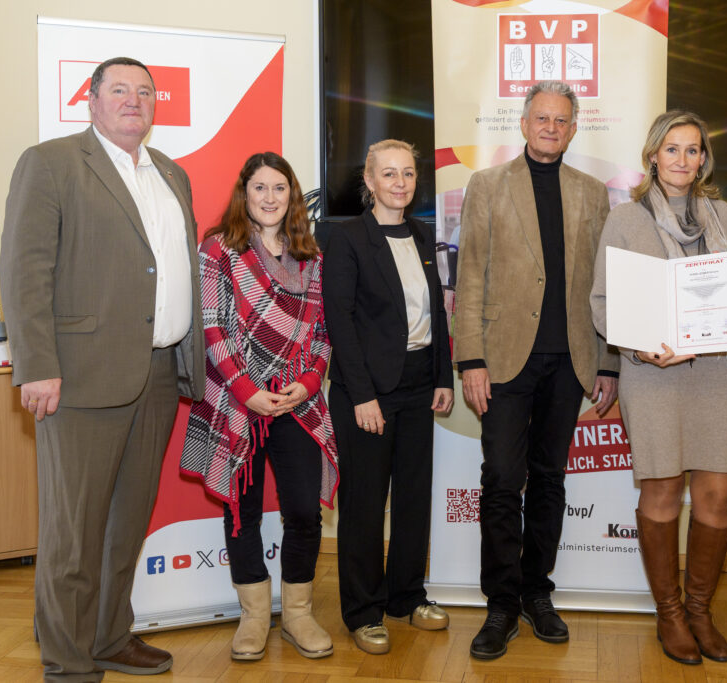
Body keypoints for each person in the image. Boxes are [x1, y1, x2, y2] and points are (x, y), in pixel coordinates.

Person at [0, 57, 205, 680]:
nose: (133, 100)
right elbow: (24, 269)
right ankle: (67, 660)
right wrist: (36, 365)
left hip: (160, 375)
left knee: (126, 525)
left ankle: (111, 635)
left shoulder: (173, 173)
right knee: (73, 534)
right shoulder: (53, 162)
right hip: (79, 378)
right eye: (119, 90)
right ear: (91, 100)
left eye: (145, 91)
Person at [454, 80, 619, 661]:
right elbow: (469, 272)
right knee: (502, 478)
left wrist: (608, 362)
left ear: (574, 129)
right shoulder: (487, 185)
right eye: (541, 118)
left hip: (569, 361)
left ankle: (536, 592)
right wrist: (469, 357)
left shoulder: (593, 193)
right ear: (523, 124)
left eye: (562, 120)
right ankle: (500, 604)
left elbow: (606, 288)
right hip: (501, 360)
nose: (551, 127)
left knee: (549, 480)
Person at [589, 110, 727, 665]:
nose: (682, 160)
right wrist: (638, 348)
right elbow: (602, 303)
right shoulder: (625, 220)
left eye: (693, 150)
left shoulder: (723, 218)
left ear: (704, 158)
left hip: (720, 373)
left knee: (716, 498)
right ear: (652, 156)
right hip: (653, 375)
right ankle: (669, 613)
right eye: (672, 149)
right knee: (661, 493)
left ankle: (701, 609)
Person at [180, 152, 339, 662]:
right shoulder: (218, 249)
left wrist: (311, 380)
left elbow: (321, 331)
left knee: (303, 513)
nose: (270, 198)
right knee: (241, 513)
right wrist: (247, 389)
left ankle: (296, 613)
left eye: (279, 188)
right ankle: (252, 616)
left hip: (296, 400)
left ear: (292, 196)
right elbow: (213, 328)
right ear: (243, 194)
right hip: (238, 401)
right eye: (260, 189)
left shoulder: (310, 254)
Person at [323, 139, 455, 655]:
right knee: (364, 503)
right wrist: (361, 395)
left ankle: (406, 597)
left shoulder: (423, 234)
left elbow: (437, 315)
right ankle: (363, 611)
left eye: (407, 174)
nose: (400, 183)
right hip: (368, 392)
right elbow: (341, 322)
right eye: (389, 174)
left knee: (413, 498)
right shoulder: (348, 238)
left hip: (421, 384)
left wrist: (444, 376)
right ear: (370, 181)